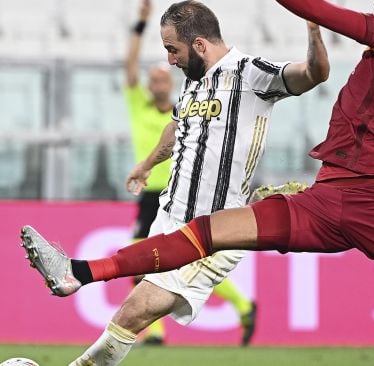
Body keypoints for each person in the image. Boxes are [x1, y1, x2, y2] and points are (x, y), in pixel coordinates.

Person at [21, 1, 374, 366]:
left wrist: (313, 20)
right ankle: (77, 274)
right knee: (207, 232)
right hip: (326, 195)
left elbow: (305, 12)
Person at [26, 2, 329, 365]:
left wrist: (314, 29)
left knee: (133, 311)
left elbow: (314, 73)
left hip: (215, 230)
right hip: (169, 219)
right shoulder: (192, 86)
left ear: (199, 45)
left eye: (173, 49)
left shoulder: (252, 74)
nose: (170, 60)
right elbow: (177, 127)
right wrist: (146, 163)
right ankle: (75, 275)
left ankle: (75, 274)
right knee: (133, 311)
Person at [122, 0, 259, 346]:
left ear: (168, 84)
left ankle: (160, 329)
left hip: (183, 195)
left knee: (166, 261)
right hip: (153, 195)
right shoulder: (139, 106)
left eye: (160, 79)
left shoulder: (185, 106)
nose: (155, 83)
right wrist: (140, 24)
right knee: (159, 262)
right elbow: (129, 66)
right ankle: (236, 306)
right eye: (150, 79)